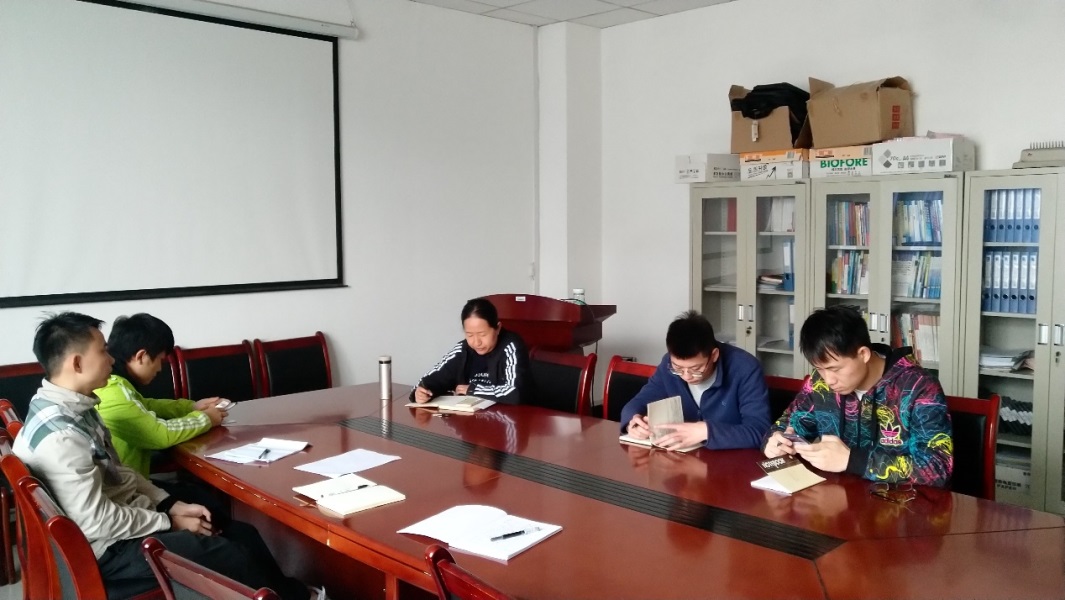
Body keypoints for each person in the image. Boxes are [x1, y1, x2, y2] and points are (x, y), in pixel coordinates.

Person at [12, 312, 324, 600]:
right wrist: (169, 522)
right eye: (103, 351)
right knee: (231, 555)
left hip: (112, 524)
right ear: (77, 363)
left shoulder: (68, 408)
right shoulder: (63, 437)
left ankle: (291, 593)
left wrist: (169, 504)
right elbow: (98, 523)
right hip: (106, 553)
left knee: (237, 530)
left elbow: (120, 474)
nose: (111, 359)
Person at [762, 305, 953, 487]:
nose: (828, 380)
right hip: (835, 499)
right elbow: (785, 426)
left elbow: (938, 467)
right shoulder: (819, 384)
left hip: (899, 504)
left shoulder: (918, 386)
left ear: (863, 354)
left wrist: (852, 460)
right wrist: (774, 442)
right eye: (819, 369)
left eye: (835, 369)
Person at [95, 313, 227, 478]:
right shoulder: (113, 390)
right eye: (160, 360)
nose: (159, 368)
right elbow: (158, 435)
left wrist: (192, 406)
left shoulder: (118, 384)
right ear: (141, 356)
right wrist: (206, 419)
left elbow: (147, 405)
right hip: (126, 489)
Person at [619, 311, 771, 451]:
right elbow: (637, 403)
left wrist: (706, 431)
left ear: (714, 355)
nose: (686, 376)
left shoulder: (745, 368)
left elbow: (760, 431)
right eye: (678, 368)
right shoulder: (668, 364)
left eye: (696, 369)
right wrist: (634, 422)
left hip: (732, 462)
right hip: (683, 459)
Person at [410, 297, 531, 405]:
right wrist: (420, 392)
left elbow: (515, 392)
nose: (476, 342)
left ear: (498, 328)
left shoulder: (511, 346)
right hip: (470, 417)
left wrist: (473, 389)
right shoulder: (462, 349)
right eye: (470, 335)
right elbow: (429, 379)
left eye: (482, 334)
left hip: (508, 418)